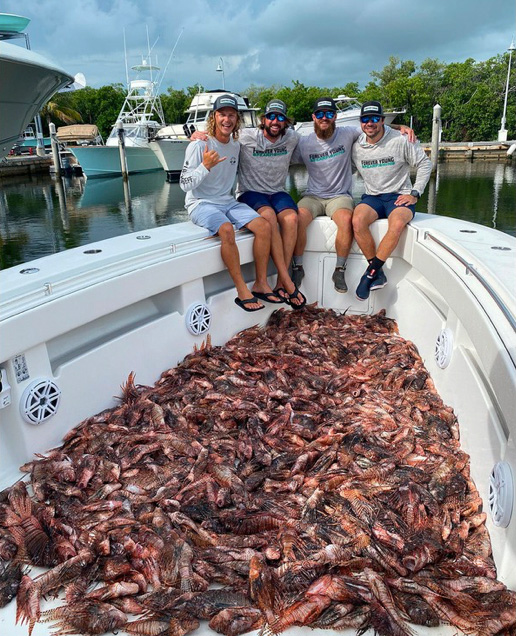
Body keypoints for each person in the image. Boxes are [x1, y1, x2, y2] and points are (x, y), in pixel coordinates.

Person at [291, 97, 415, 294]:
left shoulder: (348, 133)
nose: (325, 118)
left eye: (329, 114)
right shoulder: (303, 142)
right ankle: (297, 267)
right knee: (296, 219)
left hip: (340, 195)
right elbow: (280, 154)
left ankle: (339, 270)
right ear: (314, 117)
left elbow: (375, 127)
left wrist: (400, 127)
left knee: (347, 219)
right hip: (312, 195)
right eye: (320, 114)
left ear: (335, 117)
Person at [191, 99, 306, 308]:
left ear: (285, 122)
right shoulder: (245, 137)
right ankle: (282, 281)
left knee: (291, 218)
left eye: (280, 118)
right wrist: (197, 134)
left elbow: (316, 143)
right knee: (269, 217)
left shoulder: (292, 138)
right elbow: (221, 135)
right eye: (271, 116)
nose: (275, 121)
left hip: (277, 192)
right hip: (251, 192)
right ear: (263, 119)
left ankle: (281, 282)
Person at [179, 94, 275, 313]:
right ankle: (242, 289)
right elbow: (184, 185)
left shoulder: (235, 146)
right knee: (225, 230)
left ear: (237, 119)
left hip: (228, 202)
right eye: (222, 114)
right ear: (214, 117)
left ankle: (260, 282)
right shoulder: (199, 145)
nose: (227, 119)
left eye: (231, 115)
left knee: (264, 226)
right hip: (200, 203)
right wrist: (205, 166)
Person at [352, 100, 432, 301]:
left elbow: (424, 164)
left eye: (374, 119)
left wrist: (415, 193)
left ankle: (370, 273)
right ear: (361, 122)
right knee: (357, 220)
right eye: (365, 119)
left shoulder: (401, 140)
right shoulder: (356, 146)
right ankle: (378, 272)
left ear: (382, 120)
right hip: (373, 196)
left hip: (399, 194)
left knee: (396, 223)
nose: (369, 123)